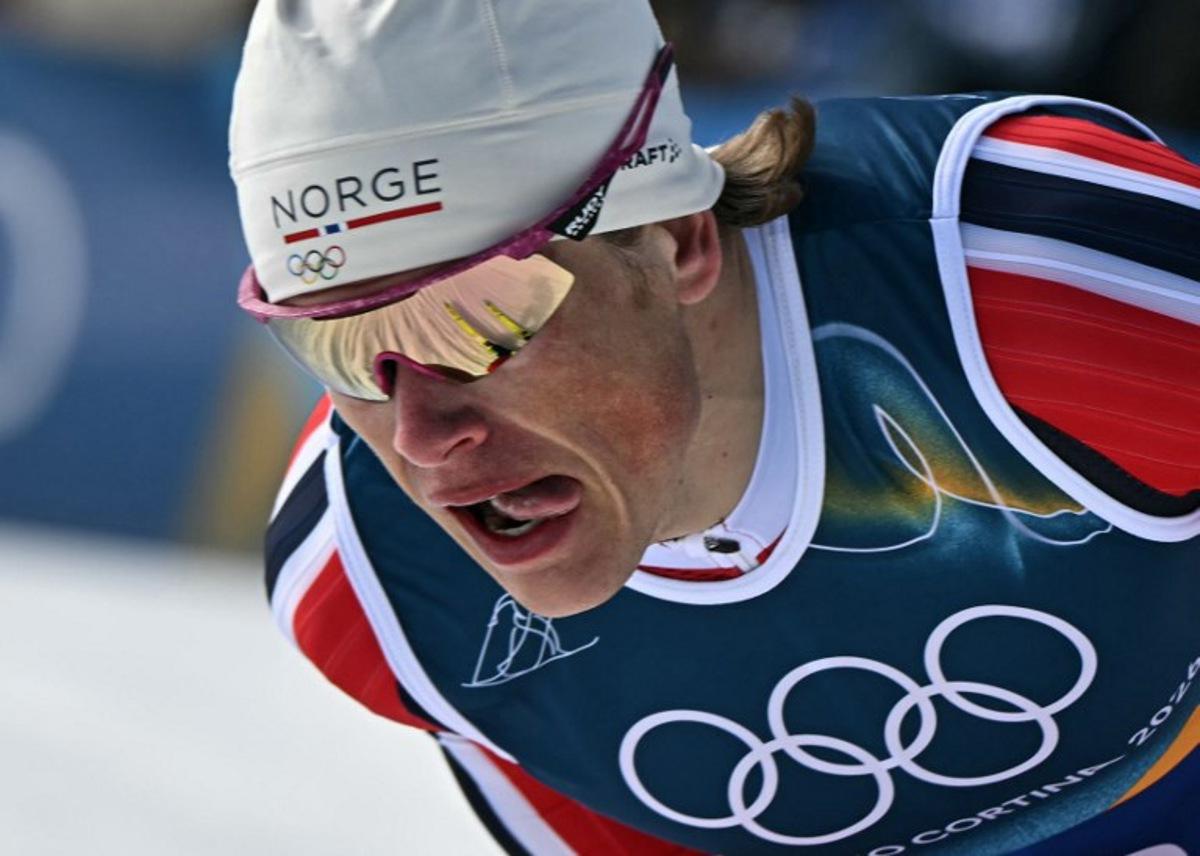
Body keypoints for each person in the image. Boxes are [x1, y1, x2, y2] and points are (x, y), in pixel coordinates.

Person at [229, 1, 1200, 853]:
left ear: (678, 236)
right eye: (341, 349)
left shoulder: (1027, 275)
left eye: (475, 320)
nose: (419, 436)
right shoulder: (372, 589)